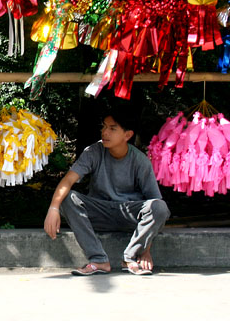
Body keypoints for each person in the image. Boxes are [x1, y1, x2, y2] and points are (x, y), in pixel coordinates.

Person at [43, 110, 170, 276]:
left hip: (130, 215)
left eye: (112, 128)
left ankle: (131, 257)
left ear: (128, 135)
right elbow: (68, 180)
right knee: (67, 197)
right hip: (100, 212)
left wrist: (145, 250)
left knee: (159, 207)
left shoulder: (140, 160)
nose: (105, 132)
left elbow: (154, 205)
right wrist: (53, 208)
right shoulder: (93, 152)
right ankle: (98, 260)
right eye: (104, 127)